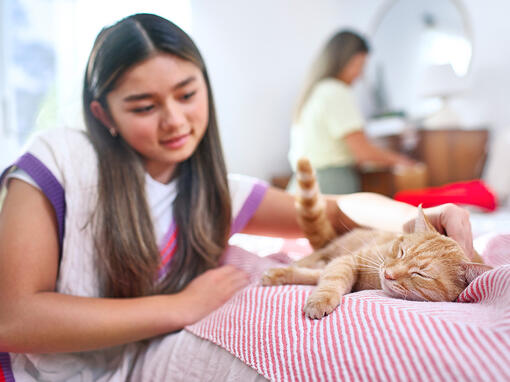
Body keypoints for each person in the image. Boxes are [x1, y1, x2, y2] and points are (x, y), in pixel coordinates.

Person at [0, 14, 474, 381]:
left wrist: (425, 215)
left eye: (187, 94)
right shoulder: (62, 158)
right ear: (103, 114)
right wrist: (179, 307)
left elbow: (338, 209)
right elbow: (13, 319)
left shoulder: (212, 190)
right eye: (144, 106)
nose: (174, 121)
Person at [288, 30, 416, 194]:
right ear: (342, 61)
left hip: (301, 184)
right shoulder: (335, 91)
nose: (360, 75)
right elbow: (363, 152)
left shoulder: (315, 91)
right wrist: (401, 161)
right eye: (359, 66)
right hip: (330, 184)